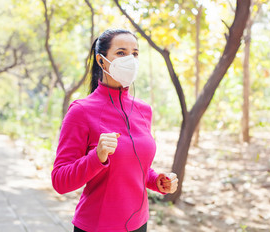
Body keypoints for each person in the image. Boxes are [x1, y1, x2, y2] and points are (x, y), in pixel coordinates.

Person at [51, 28, 178, 232]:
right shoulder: (81, 111)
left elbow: (136, 168)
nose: (130, 59)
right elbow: (59, 181)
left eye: (134, 54)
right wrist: (97, 157)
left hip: (139, 224)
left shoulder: (144, 110)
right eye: (121, 53)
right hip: (97, 226)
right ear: (101, 61)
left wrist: (156, 180)